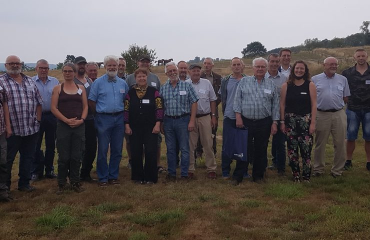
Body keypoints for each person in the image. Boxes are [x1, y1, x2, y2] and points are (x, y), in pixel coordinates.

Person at [0, 55, 43, 192]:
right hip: (11, 129)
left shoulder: (30, 81)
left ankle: (24, 184)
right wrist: (7, 126)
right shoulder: (1, 82)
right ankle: (5, 187)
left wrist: (38, 120)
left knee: (28, 157)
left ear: (21, 65)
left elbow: (39, 102)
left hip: (30, 128)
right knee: (7, 159)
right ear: (6, 65)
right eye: (11, 63)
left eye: (17, 63)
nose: (14, 65)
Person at [234, 57, 280, 183]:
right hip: (246, 120)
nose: (260, 69)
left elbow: (275, 105)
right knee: (244, 149)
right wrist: (238, 117)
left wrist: (275, 123)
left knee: (261, 149)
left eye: (262, 67)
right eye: (257, 67)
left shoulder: (271, 84)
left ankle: (258, 176)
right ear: (253, 68)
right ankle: (239, 175)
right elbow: (237, 100)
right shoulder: (244, 82)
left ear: (266, 68)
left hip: (264, 122)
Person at [88, 55, 129, 187]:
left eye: (114, 65)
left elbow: (125, 101)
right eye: (109, 65)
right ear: (105, 67)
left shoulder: (123, 83)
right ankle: (103, 177)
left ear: (118, 67)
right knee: (103, 149)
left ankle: (113, 176)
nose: (112, 68)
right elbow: (91, 101)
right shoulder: (98, 83)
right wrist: (98, 114)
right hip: (103, 118)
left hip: (119, 118)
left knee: (117, 149)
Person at [51, 63, 88, 193]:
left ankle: (75, 182)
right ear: (62, 72)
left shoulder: (81, 88)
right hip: (63, 126)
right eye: (65, 71)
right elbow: (53, 108)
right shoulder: (58, 88)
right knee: (64, 156)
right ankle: (61, 183)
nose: (67, 73)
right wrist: (66, 120)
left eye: (70, 71)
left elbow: (85, 107)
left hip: (79, 126)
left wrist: (81, 120)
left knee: (76, 156)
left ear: (74, 72)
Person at [312, 57, 350, 178]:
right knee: (320, 143)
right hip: (321, 114)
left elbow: (346, 97)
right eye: (331, 64)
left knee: (340, 143)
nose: (333, 66)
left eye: (335, 64)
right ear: (324, 65)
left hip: (338, 114)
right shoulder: (315, 79)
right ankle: (318, 169)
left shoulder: (343, 79)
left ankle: (337, 170)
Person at [160, 62, 198, 181]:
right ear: (166, 73)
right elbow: (161, 107)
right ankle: (171, 174)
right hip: (168, 121)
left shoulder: (187, 86)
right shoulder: (163, 88)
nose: (173, 73)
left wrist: (192, 121)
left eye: (174, 70)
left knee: (184, 148)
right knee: (170, 149)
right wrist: (161, 123)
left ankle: (184, 174)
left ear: (177, 71)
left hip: (183, 120)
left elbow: (194, 102)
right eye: (170, 71)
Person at [124, 68, 163, 184]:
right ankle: (137, 177)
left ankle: (150, 177)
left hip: (151, 127)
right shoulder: (130, 93)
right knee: (136, 151)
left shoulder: (154, 91)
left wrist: (158, 124)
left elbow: (159, 108)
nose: (141, 78)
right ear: (135, 78)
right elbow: (126, 110)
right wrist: (126, 125)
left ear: (147, 78)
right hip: (134, 127)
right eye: (139, 77)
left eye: (143, 76)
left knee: (151, 151)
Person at [280, 61, 317, 182]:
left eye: (302, 69)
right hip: (290, 121)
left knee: (306, 150)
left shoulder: (310, 84)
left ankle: (306, 176)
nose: (299, 71)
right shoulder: (286, 85)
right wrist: (282, 121)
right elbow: (282, 104)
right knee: (292, 150)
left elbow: (314, 105)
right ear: (293, 70)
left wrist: (312, 123)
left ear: (305, 71)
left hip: (305, 121)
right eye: (297, 68)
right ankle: (295, 175)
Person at [186, 64, 217, 179]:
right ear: (189, 72)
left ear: (200, 72)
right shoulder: (185, 84)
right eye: (193, 71)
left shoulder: (206, 83)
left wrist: (213, 116)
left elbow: (213, 100)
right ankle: (190, 169)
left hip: (205, 117)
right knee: (190, 144)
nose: (196, 73)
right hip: (190, 118)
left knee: (208, 144)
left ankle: (211, 169)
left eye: (198, 71)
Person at [342, 49, 370, 170]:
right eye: (358, 56)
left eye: (363, 55)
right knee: (351, 135)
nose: (361, 58)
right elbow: (341, 88)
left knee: (369, 136)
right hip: (352, 109)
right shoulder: (347, 73)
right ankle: (348, 160)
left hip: (369, 109)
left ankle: (369, 161)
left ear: (367, 56)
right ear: (355, 57)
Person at [31, 59, 59, 181]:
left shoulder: (55, 81)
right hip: (36, 117)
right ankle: (36, 171)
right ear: (36, 68)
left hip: (51, 116)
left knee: (51, 144)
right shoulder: (30, 82)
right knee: (35, 145)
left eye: (46, 68)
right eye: (41, 68)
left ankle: (49, 169)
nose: (43, 70)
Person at [220, 57, 247, 181]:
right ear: (231, 66)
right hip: (229, 116)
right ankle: (225, 170)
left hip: (245, 116)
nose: (236, 67)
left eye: (238, 64)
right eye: (234, 64)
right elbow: (221, 97)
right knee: (227, 144)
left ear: (243, 66)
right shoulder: (225, 80)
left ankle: (243, 170)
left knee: (243, 144)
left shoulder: (248, 80)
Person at [74, 56, 97, 182]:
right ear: (75, 65)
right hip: (76, 119)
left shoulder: (89, 81)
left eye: (84, 64)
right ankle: (74, 173)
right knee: (77, 148)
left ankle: (85, 173)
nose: (81, 66)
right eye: (79, 64)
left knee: (91, 147)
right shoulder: (71, 80)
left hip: (89, 119)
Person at [266, 53, 288, 174]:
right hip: (264, 114)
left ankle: (281, 168)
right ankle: (261, 165)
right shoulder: (261, 77)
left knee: (280, 142)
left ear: (279, 63)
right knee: (263, 142)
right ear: (268, 62)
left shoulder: (285, 79)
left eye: (276, 62)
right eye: (272, 61)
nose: (274, 64)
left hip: (279, 114)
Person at [199, 57, 222, 155]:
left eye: (209, 63)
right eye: (205, 63)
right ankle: (199, 152)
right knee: (199, 132)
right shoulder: (198, 76)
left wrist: (213, 104)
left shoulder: (218, 77)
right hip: (200, 109)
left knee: (213, 130)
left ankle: (213, 152)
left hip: (213, 109)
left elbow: (220, 95)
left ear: (212, 65)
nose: (206, 65)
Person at [0, 79, 12, 201]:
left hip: (1, 131)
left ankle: (3, 191)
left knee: (3, 162)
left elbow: (5, 106)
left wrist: (8, 126)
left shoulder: (1, 87)